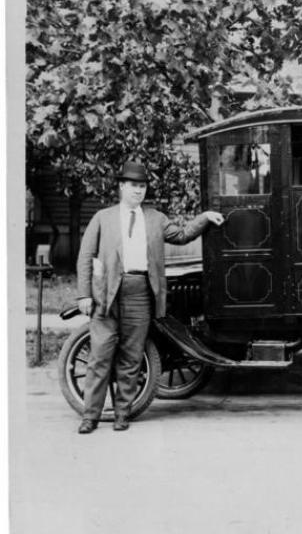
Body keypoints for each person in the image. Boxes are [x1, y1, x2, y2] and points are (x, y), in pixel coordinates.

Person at [75, 161, 224, 434]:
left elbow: (181, 235)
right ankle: (90, 416)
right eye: (133, 186)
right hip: (106, 293)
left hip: (140, 291)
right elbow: (85, 257)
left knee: (132, 357)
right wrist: (84, 295)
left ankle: (123, 413)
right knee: (100, 355)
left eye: (142, 187)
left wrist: (204, 217)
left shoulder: (155, 218)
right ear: (121, 186)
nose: (138, 192)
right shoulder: (102, 217)